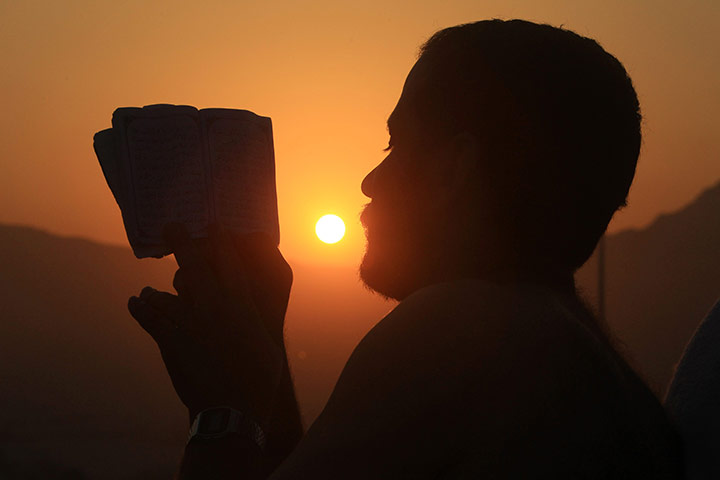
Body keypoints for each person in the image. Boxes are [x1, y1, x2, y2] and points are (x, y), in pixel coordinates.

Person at [128, 19, 683, 479]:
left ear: (450, 171)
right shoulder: (612, 384)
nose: (371, 180)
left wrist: (222, 414)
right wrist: (265, 364)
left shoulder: (459, 329)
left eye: (397, 143)